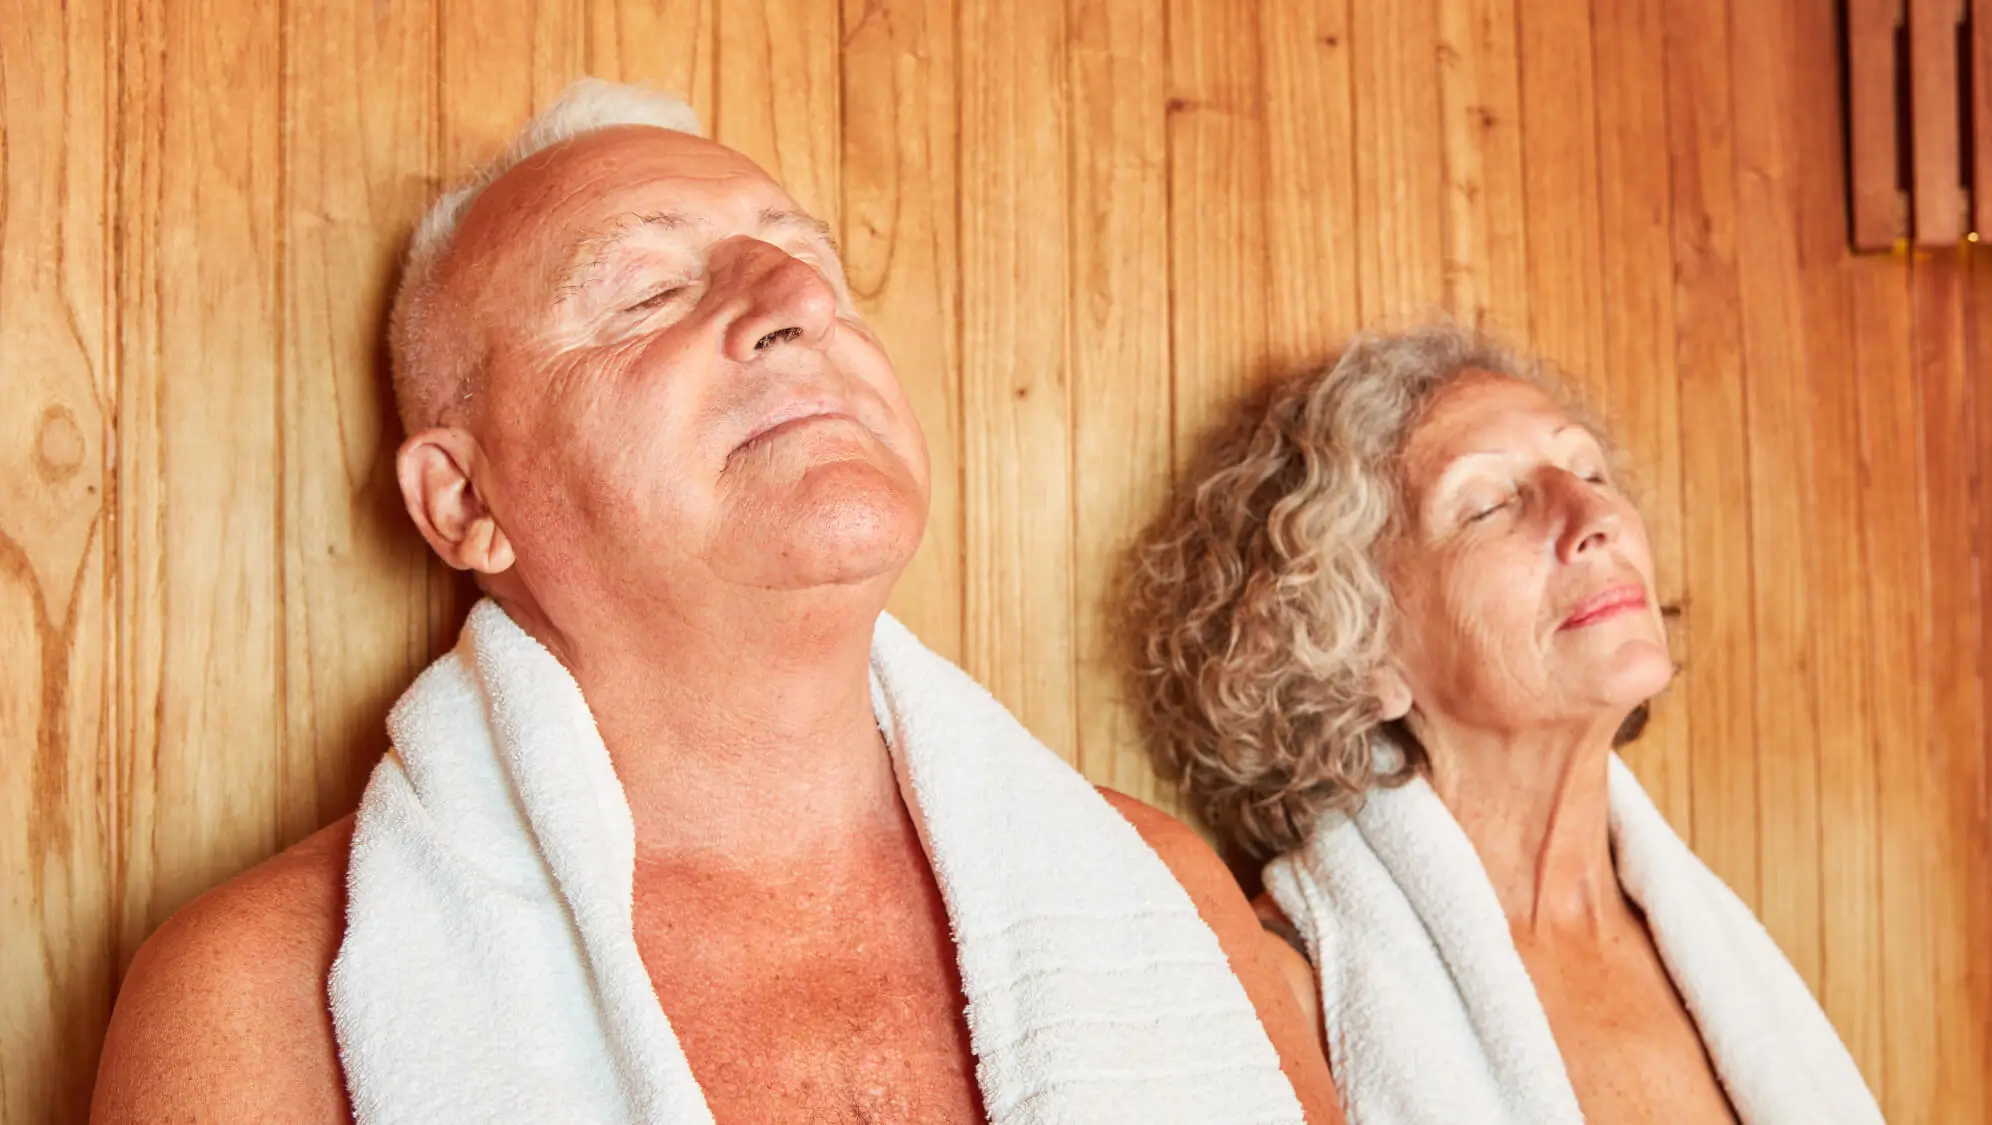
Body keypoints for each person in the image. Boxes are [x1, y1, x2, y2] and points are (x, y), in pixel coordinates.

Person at [91, 80, 1335, 1124]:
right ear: (466, 501)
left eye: (811, 265)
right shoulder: (259, 1001)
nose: (799, 304)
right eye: (643, 293)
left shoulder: (1161, 891)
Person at [1124, 323, 1883, 1125]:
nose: (1595, 513)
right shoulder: (1298, 997)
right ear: (1355, 651)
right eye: (1487, 504)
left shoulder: (1722, 961)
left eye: (1588, 469)